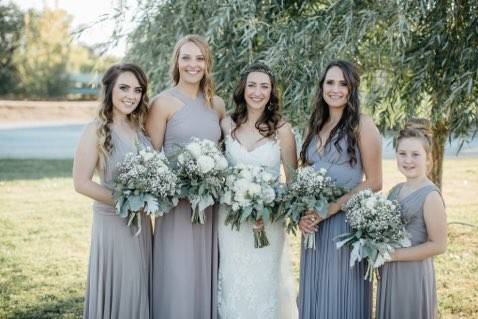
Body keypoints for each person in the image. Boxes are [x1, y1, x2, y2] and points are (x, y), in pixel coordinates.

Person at [145, 34, 226, 319]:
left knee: (206, 273)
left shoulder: (217, 105)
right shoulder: (162, 103)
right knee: (177, 276)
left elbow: (226, 153)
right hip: (175, 208)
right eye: (186, 57)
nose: (193, 64)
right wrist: (180, 185)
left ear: (207, 64)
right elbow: (151, 161)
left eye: (200, 58)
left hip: (209, 209)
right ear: (177, 62)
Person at [298, 60, 382, 318]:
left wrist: (333, 207)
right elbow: (306, 178)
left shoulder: (362, 124)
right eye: (330, 82)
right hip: (314, 228)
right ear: (321, 86)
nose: (335, 89)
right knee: (313, 295)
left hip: (344, 225)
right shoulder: (314, 125)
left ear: (351, 88)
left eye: (342, 83)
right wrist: (303, 214)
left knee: (339, 297)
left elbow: (375, 181)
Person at [217, 62, 298, 319]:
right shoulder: (226, 124)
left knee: (264, 285)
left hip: (268, 224)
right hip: (229, 223)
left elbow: (293, 183)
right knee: (231, 282)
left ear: (271, 92)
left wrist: (270, 205)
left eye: (264, 86)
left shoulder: (282, 130)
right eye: (252, 85)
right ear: (243, 89)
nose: (257, 92)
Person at [73, 63, 152, 319]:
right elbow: (81, 182)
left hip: (142, 225)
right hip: (113, 224)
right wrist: (126, 201)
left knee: (140, 286)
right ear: (109, 90)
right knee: (125, 287)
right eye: (124, 88)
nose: (131, 95)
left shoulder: (140, 128)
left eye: (137, 90)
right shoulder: (95, 129)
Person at [376, 118, 447, 319]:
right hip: (390, 273)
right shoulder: (395, 191)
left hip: (413, 275)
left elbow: (439, 245)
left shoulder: (430, 195)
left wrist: (393, 255)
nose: (408, 160)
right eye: (402, 154)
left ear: (428, 159)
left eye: (415, 154)